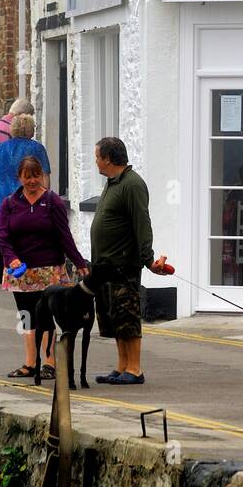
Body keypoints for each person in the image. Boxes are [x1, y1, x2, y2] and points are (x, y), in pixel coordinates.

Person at [0, 155, 89, 379]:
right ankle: (29, 363)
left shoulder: (52, 201)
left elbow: (64, 235)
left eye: (36, 176)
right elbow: (2, 236)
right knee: (26, 316)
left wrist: (79, 262)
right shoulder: (9, 203)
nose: (32, 181)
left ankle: (49, 363)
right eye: (27, 177)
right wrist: (11, 259)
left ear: (42, 176)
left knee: (46, 317)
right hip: (21, 273)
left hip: (49, 270)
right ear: (19, 177)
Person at [89, 137, 169, 386]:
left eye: (97, 157)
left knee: (127, 316)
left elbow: (142, 224)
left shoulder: (132, 184)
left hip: (124, 265)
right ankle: (122, 365)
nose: (96, 162)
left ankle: (134, 368)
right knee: (114, 318)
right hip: (105, 266)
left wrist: (149, 260)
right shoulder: (113, 183)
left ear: (109, 159)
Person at [0, 97, 33, 283]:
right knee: (5, 228)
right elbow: (10, 163)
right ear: (22, 115)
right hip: (0, 187)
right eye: (29, 116)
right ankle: (2, 268)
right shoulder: (11, 131)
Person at [0, 113, 49, 203]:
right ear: (30, 129)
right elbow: (45, 177)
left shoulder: (0, 148)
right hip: (30, 202)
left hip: (6, 204)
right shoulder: (37, 148)